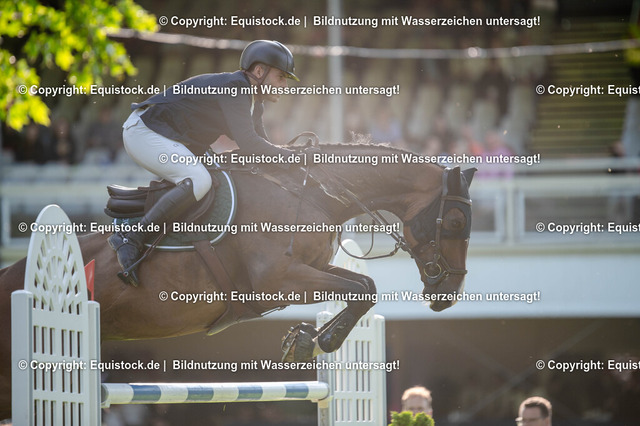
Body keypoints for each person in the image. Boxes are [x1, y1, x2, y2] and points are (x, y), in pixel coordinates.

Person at [108, 40, 300, 286]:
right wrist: (295, 158)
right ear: (259, 71)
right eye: (281, 77)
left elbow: (261, 150)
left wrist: (295, 164)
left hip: (167, 136)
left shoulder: (254, 100)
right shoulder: (236, 88)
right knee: (199, 180)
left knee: (213, 177)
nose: (284, 85)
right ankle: (131, 238)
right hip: (144, 133)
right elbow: (251, 145)